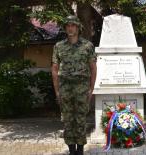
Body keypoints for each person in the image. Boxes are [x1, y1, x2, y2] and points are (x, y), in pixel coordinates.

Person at [51, 15, 97, 155]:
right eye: (68, 26)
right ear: (65, 28)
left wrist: (91, 90)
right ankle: (72, 150)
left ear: (78, 27)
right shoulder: (59, 46)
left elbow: (93, 68)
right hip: (65, 88)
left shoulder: (87, 46)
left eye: (73, 25)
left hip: (82, 89)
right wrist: (57, 91)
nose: (70, 28)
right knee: (68, 120)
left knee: (81, 119)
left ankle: (80, 150)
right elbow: (54, 69)